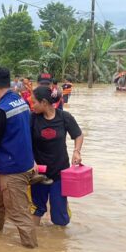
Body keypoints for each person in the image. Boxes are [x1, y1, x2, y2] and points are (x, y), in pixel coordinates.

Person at [0, 67, 38, 249]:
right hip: (15, 163)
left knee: (19, 214)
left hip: (13, 170)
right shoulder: (20, 101)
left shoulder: (0, 111)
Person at [30, 86, 84, 226]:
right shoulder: (32, 119)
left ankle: (59, 244)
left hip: (60, 173)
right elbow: (24, 143)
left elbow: (78, 135)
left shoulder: (64, 117)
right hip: (38, 174)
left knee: (59, 215)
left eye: (34, 102)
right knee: (36, 209)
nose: (32, 105)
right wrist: (31, 160)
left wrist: (76, 151)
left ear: (44, 103)